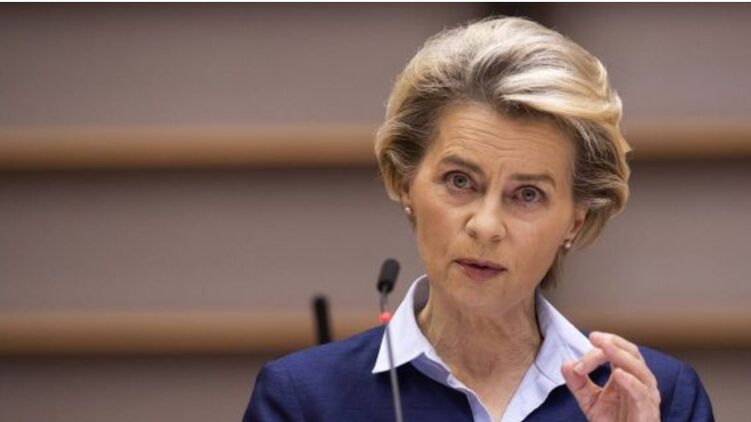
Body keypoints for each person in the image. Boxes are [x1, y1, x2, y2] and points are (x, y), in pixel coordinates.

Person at [243, 16, 714, 422]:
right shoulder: (305, 399)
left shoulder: (657, 396)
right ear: (406, 183)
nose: (486, 226)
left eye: (527, 195)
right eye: (459, 181)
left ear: (575, 220)